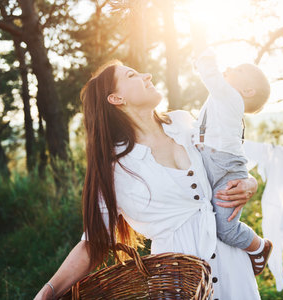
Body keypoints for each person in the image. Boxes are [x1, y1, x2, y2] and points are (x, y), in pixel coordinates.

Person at [34, 61, 261, 300]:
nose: (147, 75)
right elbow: (93, 244)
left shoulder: (182, 123)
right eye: (132, 75)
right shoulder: (114, 167)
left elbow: (225, 156)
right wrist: (47, 293)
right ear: (116, 99)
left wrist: (249, 182)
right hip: (177, 282)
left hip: (234, 270)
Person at [192, 36, 273, 275]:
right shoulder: (223, 102)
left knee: (225, 229)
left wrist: (202, 44)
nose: (229, 69)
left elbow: (209, 72)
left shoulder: (229, 96)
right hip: (214, 163)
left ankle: (259, 247)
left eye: (238, 70)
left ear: (247, 90)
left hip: (227, 170)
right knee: (212, 220)